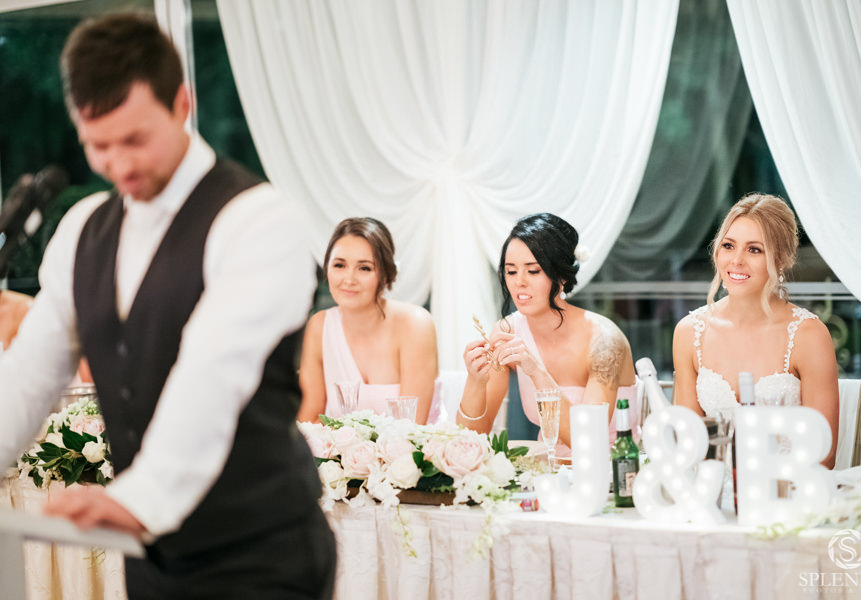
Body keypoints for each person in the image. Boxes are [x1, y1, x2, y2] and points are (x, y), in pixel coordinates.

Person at [0, 13, 334, 598]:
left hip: (263, 554)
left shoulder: (259, 220)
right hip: (151, 559)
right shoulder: (82, 230)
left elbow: (213, 371)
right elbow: (29, 374)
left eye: (135, 140)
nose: (120, 165)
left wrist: (138, 499)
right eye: (98, 145)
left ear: (182, 103)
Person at [673, 193, 839, 468]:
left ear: (782, 260)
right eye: (728, 245)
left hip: (789, 487)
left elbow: (824, 455)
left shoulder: (809, 336)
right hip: (715, 489)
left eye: (754, 250)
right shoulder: (689, 333)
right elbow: (687, 443)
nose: (736, 260)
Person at [457, 213, 637, 451]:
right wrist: (476, 382)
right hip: (548, 466)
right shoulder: (507, 330)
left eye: (533, 271)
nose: (519, 282)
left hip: (615, 465)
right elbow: (469, 438)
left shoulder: (604, 340)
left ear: (561, 276)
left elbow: (589, 442)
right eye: (511, 271)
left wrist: (535, 371)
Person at [297, 217, 439, 424]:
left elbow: (412, 427)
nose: (349, 279)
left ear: (385, 274)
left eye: (364, 268)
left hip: (409, 444)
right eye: (339, 265)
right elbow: (309, 420)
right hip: (337, 446)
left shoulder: (414, 324)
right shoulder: (319, 326)